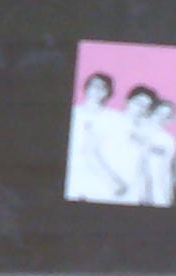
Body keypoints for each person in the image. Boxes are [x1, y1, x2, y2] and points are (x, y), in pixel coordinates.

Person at [94, 85, 157, 205]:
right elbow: (91, 152)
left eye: (146, 106)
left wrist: (147, 195)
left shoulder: (146, 131)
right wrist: (111, 181)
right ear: (128, 101)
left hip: (132, 194)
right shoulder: (108, 117)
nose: (141, 108)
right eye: (138, 103)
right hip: (105, 188)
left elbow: (144, 165)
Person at [64, 72, 119, 203]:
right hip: (74, 175)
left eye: (102, 87)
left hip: (102, 179)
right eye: (93, 85)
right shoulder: (74, 113)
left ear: (108, 92)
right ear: (86, 88)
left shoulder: (113, 118)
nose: (97, 90)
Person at [144, 99, 176, 207]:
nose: (161, 118)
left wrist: (168, 194)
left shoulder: (168, 139)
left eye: (166, 116)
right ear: (151, 112)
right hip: (138, 190)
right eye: (159, 114)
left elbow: (167, 168)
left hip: (160, 193)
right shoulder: (139, 132)